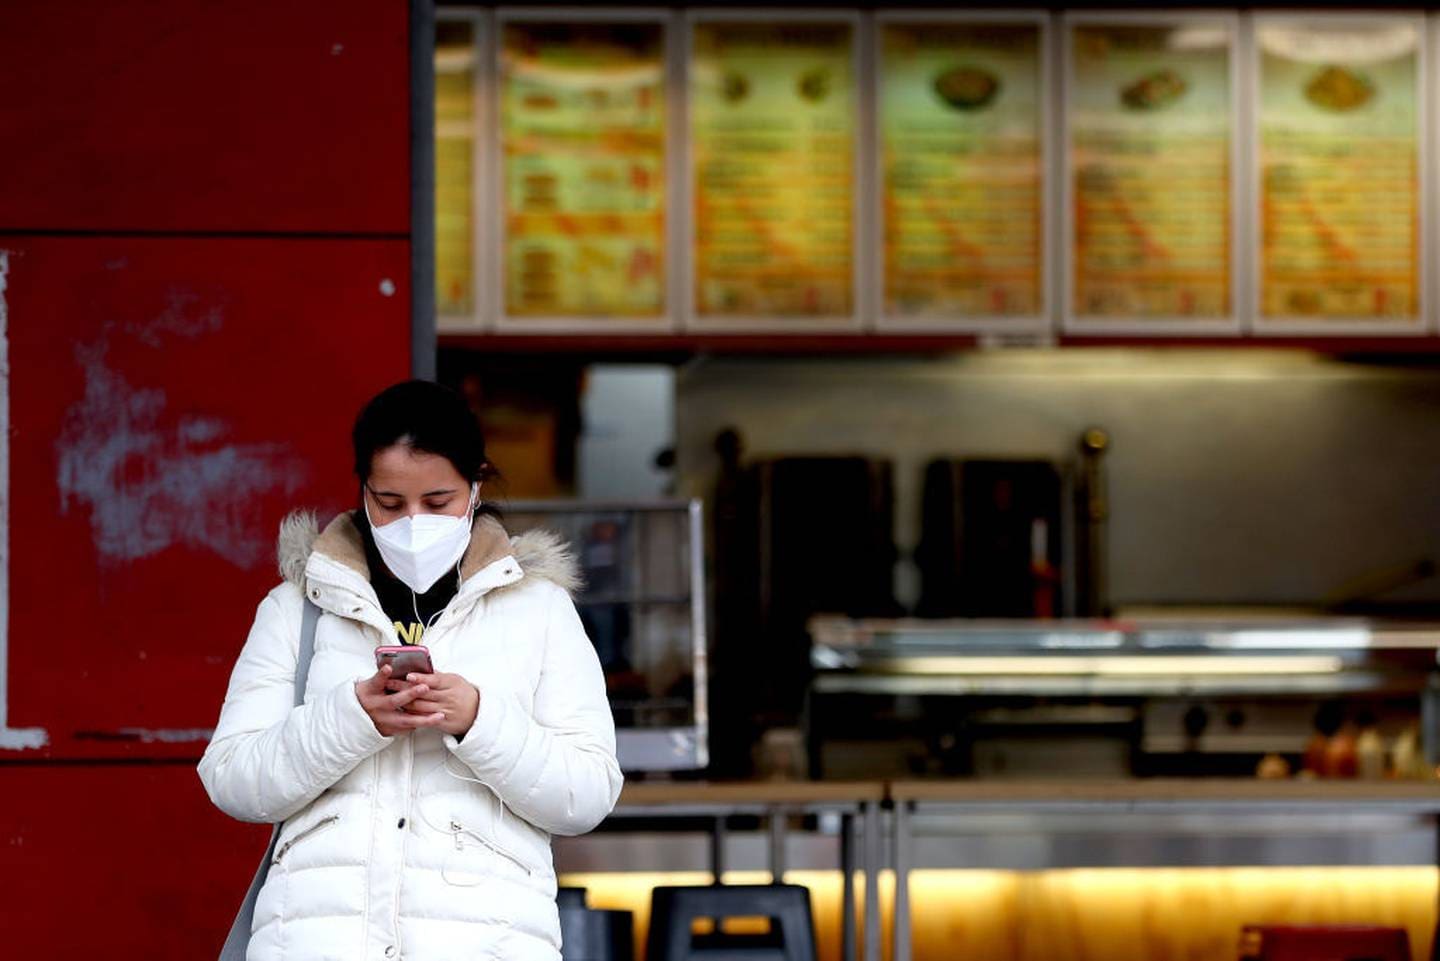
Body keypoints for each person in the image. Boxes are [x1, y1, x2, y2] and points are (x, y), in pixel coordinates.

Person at [199, 380, 622, 961]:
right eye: (390, 504)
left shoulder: (540, 610)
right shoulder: (297, 608)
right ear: (363, 490)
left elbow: (588, 793)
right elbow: (232, 780)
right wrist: (352, 718)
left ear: (475, 486)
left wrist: (478, 720)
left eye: (439, 501)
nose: (413, 522)